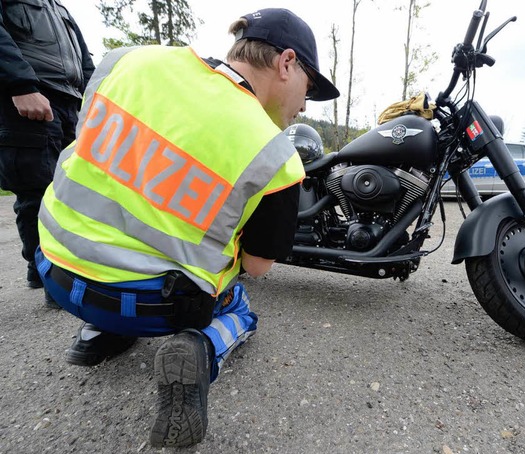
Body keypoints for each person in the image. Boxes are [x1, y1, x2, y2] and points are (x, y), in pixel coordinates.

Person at [35, 7, 339, 448]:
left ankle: (95, 334)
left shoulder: (127, 61)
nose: (305, 105)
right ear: (286, 63)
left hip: (54, 268)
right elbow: (257, 266)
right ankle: (201, 349)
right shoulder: (275, 155)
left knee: (114, 247)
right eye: (308, 88)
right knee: (239, 303)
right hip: (150, 306)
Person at [0, 0, 94, 305]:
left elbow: (85, 60)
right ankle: (47, 274)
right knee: (37, 187)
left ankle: (67, 267)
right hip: (29, 99)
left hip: (70, 101)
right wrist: (20, 85)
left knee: (74, 188)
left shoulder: (59, 9)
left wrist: (98, 97)